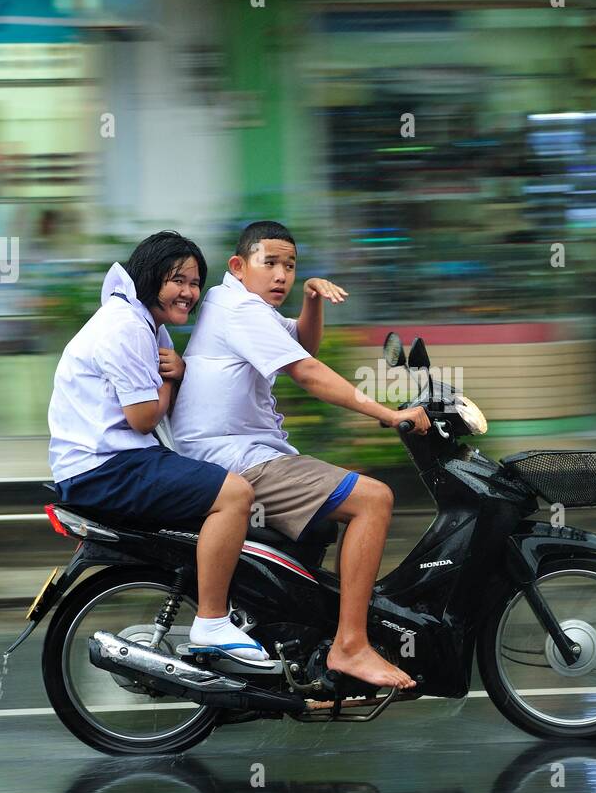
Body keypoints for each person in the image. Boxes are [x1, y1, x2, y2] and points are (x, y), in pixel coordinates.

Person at [170, 220, 430, 689]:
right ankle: (350, 645)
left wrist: (311, 300)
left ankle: (308, 632)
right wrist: (389, 414)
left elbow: (301, 343)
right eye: (269, 263)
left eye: (289, 266)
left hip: (231, 451)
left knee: (334, 512)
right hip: (236, 457)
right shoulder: (242, 311)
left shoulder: (233, 301)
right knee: (373, 499)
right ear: (238, 266)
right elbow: (307, 372)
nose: (281, 276)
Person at [47, 231, 266, 659]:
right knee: (236, 494)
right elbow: (144, 418)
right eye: (177, 280)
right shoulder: (126, 326)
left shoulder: (147, 324)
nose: (189, 292)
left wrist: (176, 373)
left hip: (117, 461)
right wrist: (171, 377)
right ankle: (212, 622)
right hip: (105, 469)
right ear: (150, 278)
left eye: (195, 282)